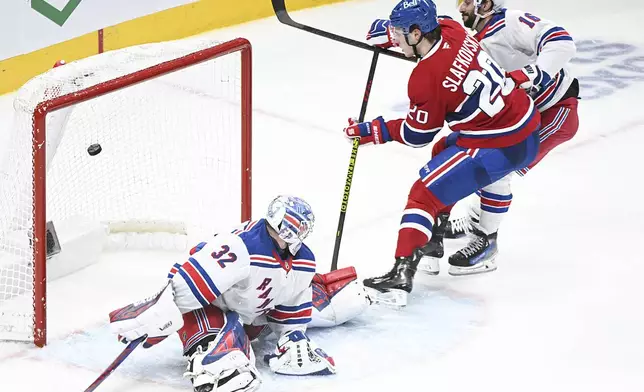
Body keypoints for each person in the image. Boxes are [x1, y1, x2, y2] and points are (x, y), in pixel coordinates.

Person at [347, 0, 541, 302]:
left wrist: (376, 130)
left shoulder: (426, 78)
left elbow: (416, 134)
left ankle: (401, 272)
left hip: (498, 144)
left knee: (423, 193)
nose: (395, 39)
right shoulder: (450, 27)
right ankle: (433, 242)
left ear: (415, 33)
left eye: (399, 33)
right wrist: (390, 34)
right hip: (523, 123)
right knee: (443, 150)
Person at [108, 195, 370, 392]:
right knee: (226, 364)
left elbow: (290, 303)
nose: (286, 234)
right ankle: (208, 351)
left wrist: (291, 337)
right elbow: (184, 288)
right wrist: (160, 314)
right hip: (207, 308)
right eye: (283, 228)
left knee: (349, 300)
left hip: (251, 315)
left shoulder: (303, 261)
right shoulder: (239, 248)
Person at [432, 0, 579, 273]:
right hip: (518, 117)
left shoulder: (509, 22)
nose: (460, 8)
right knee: (473, 157)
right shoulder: (473, 38)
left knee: (497, 170)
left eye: (465, 2)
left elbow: (562, 41)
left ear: (485, 4)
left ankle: (487, 243)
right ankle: (478, 219)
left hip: (554, 111)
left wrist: (533, 73)